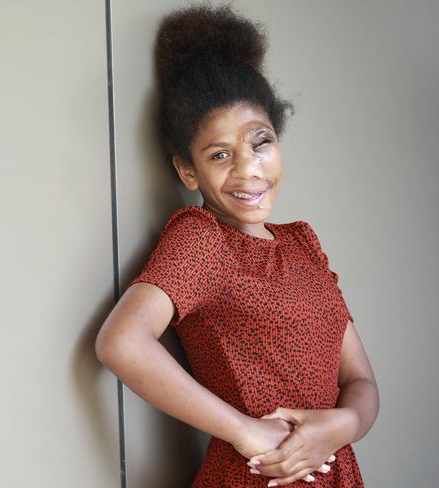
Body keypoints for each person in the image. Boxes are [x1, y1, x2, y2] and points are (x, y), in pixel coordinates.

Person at [95, 3, 380, 487]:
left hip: (335, 471)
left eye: (260, 141)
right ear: (189, 172)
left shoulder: (303, 244)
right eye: (220, 154)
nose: (248, 168)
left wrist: (341, 426)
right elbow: (121, 343)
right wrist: (247, 433)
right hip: (256, 476)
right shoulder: (203, 240)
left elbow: (360, 381)